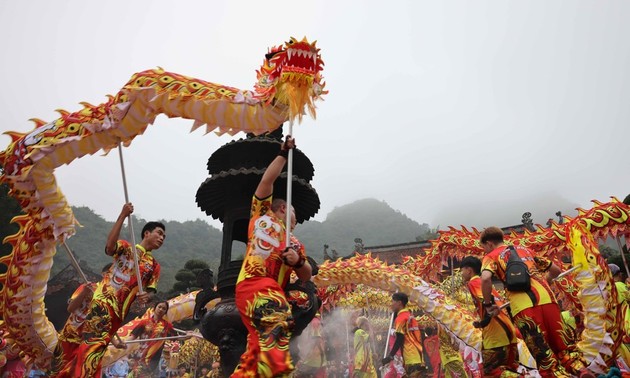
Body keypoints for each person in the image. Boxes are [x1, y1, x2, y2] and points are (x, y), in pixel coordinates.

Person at [232, 136, 312, 377]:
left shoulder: (295, 243)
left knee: (255, 356)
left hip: (273, 289)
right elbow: (267, 180)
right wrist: (283, 154)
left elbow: (306, 274)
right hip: (253, 284)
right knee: (277, 319)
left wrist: (296, 261)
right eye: (295, 213)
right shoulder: (261, 215)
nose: (297, 220)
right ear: (284, 209)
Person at [57, 203, 165, 377]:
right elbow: (109, 247)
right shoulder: (126, 248)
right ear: (147, 233)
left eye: (164, 237)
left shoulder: (154, 266)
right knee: (91, 348)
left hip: (119, 312)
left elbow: (151, 291)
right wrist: (122, 215)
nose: (162, 238)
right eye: (159, 233)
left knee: (96, 350)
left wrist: (147, 296)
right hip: (104, 300)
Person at [479, 226, 594, 378]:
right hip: (548, 300)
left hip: (523, 308)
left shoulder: (492, 256)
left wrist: (487, 304)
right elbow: (556, 271)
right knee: (566, 351)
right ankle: (581, 371)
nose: (485, 251)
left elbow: (486, 278)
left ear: (489, 243)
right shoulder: (525, 250)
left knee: (545, 360)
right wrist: (545, 282)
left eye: (484, 248)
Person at [460, 256, 520, 377]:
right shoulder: (488, 285)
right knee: (511, 368)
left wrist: (483, 322)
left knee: (490, 373)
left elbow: (487, 302)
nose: (461, 274)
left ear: (468, 270)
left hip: (495, 336)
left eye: (461, 270)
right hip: (508, 332)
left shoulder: (475, 282)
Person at [50, 263, 112, 376]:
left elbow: (108, 327)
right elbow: (70, 308)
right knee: (57, 369)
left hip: (87, 343)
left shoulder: (111, 301)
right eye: (110, 273)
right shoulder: (88, 287)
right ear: (103, 274)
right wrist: (84, 293)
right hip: (69, 335)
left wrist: (116, 342)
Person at [126, 301, 176, 377]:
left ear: (165, 312)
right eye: (159, 307)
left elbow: (176, 337)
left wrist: (189, 334)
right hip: (140, 356)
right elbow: (133, 336)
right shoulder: (144, 322)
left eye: (164, 309)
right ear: (154, 308)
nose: (161, 309)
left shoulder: (167, 325)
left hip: (154, 358)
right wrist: (124, 342)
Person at [382, 293, 426, 377]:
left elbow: (399, 338)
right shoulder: (410, 316)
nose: (391, 304)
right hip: (417, 356)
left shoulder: (401, 317)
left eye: (393, 301)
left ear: (399, 302)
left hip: (410, 357)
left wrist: (390, 356)